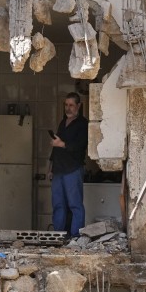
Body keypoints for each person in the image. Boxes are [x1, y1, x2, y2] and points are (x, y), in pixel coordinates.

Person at [50, 92, 88, 237]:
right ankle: (58, 235)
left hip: (73, 168)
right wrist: (51, 167)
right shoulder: (62, 122)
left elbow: (80, 145)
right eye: (66, 105)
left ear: (78, 106)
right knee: (58, 205)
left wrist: (62, 144)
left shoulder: (83, 124)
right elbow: (55, 148)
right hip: (58, 169)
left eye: (71, 105)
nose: (68, 108)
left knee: (75, 205)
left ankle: (76, 237)